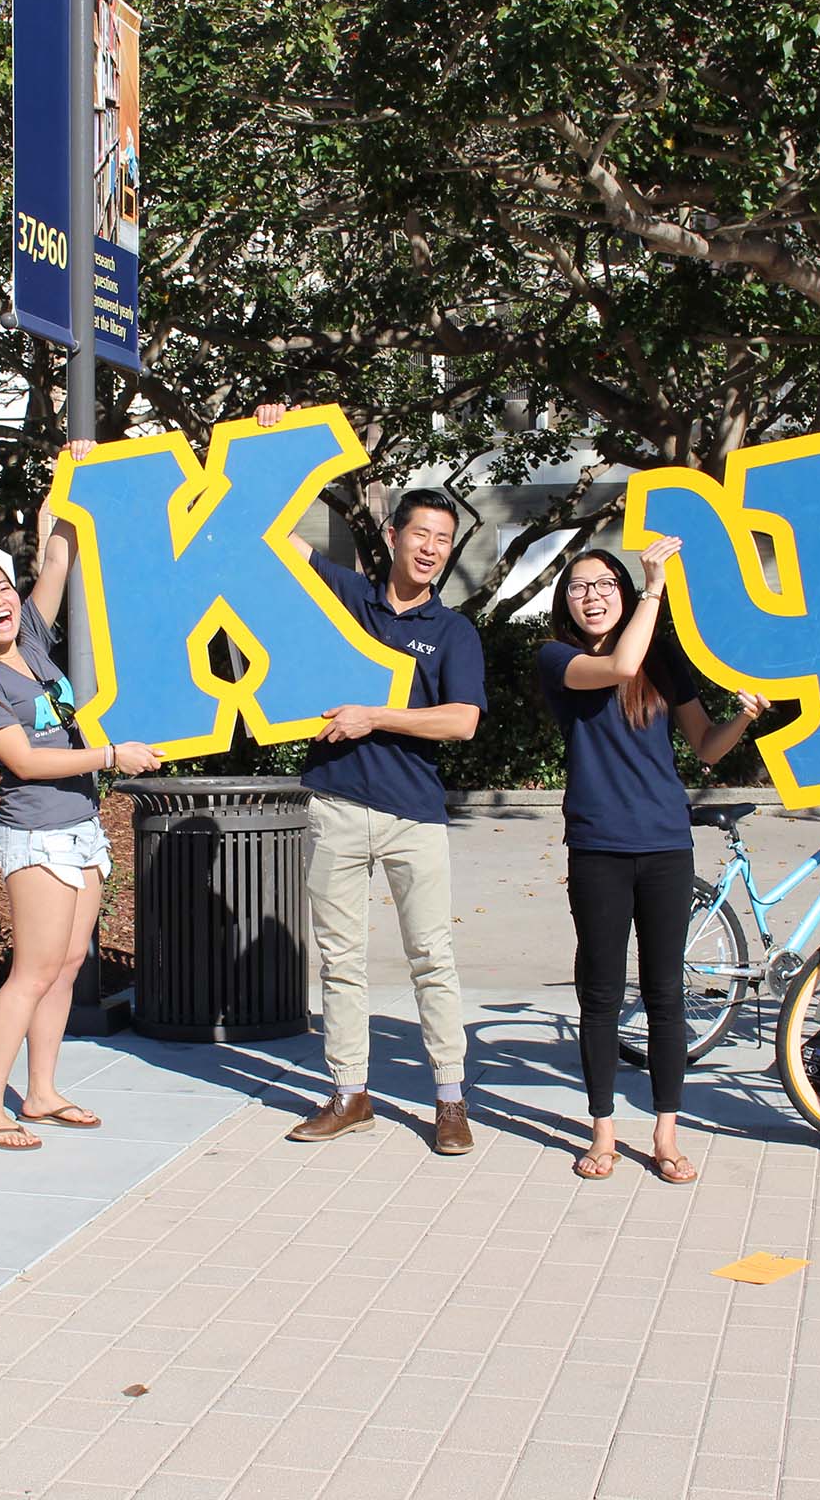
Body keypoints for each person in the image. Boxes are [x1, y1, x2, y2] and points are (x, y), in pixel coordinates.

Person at [252, 408, 489, 1155]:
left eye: (443, 541)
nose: (430, 549)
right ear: (392, 537)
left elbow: (462, 722)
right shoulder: (348, 597)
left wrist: (374, 717)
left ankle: (450, 1100)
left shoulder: (453, 633)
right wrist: (271, 448)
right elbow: (273, 542)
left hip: (413, 816)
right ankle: (350, 1092)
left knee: (431, 959)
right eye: (420, 534)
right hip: (335, 806)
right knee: (342, 962)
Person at [0, 521, 163, 1150]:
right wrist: (111, 758)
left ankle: (40, 1092)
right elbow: (25, 762)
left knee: (67, 965)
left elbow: (59, 556)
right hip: (36, 834)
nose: (0, 599)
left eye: (3, 586)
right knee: (31, 973)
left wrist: (73, 473)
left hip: (81, 827)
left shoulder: (30, 640)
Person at [542, 539, 766, 1184]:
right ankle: (603, 1132)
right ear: (566, 601)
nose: (593, 596)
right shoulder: (558, 659)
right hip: (598, 846)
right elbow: (620, 665)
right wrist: (653, 586)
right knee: (601, 993)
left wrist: (742, 719)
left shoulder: (662, 660)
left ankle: (667, 1132)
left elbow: (706, 748)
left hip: (666, 843)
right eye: (580, 586)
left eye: (604, 585)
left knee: (668, 992)